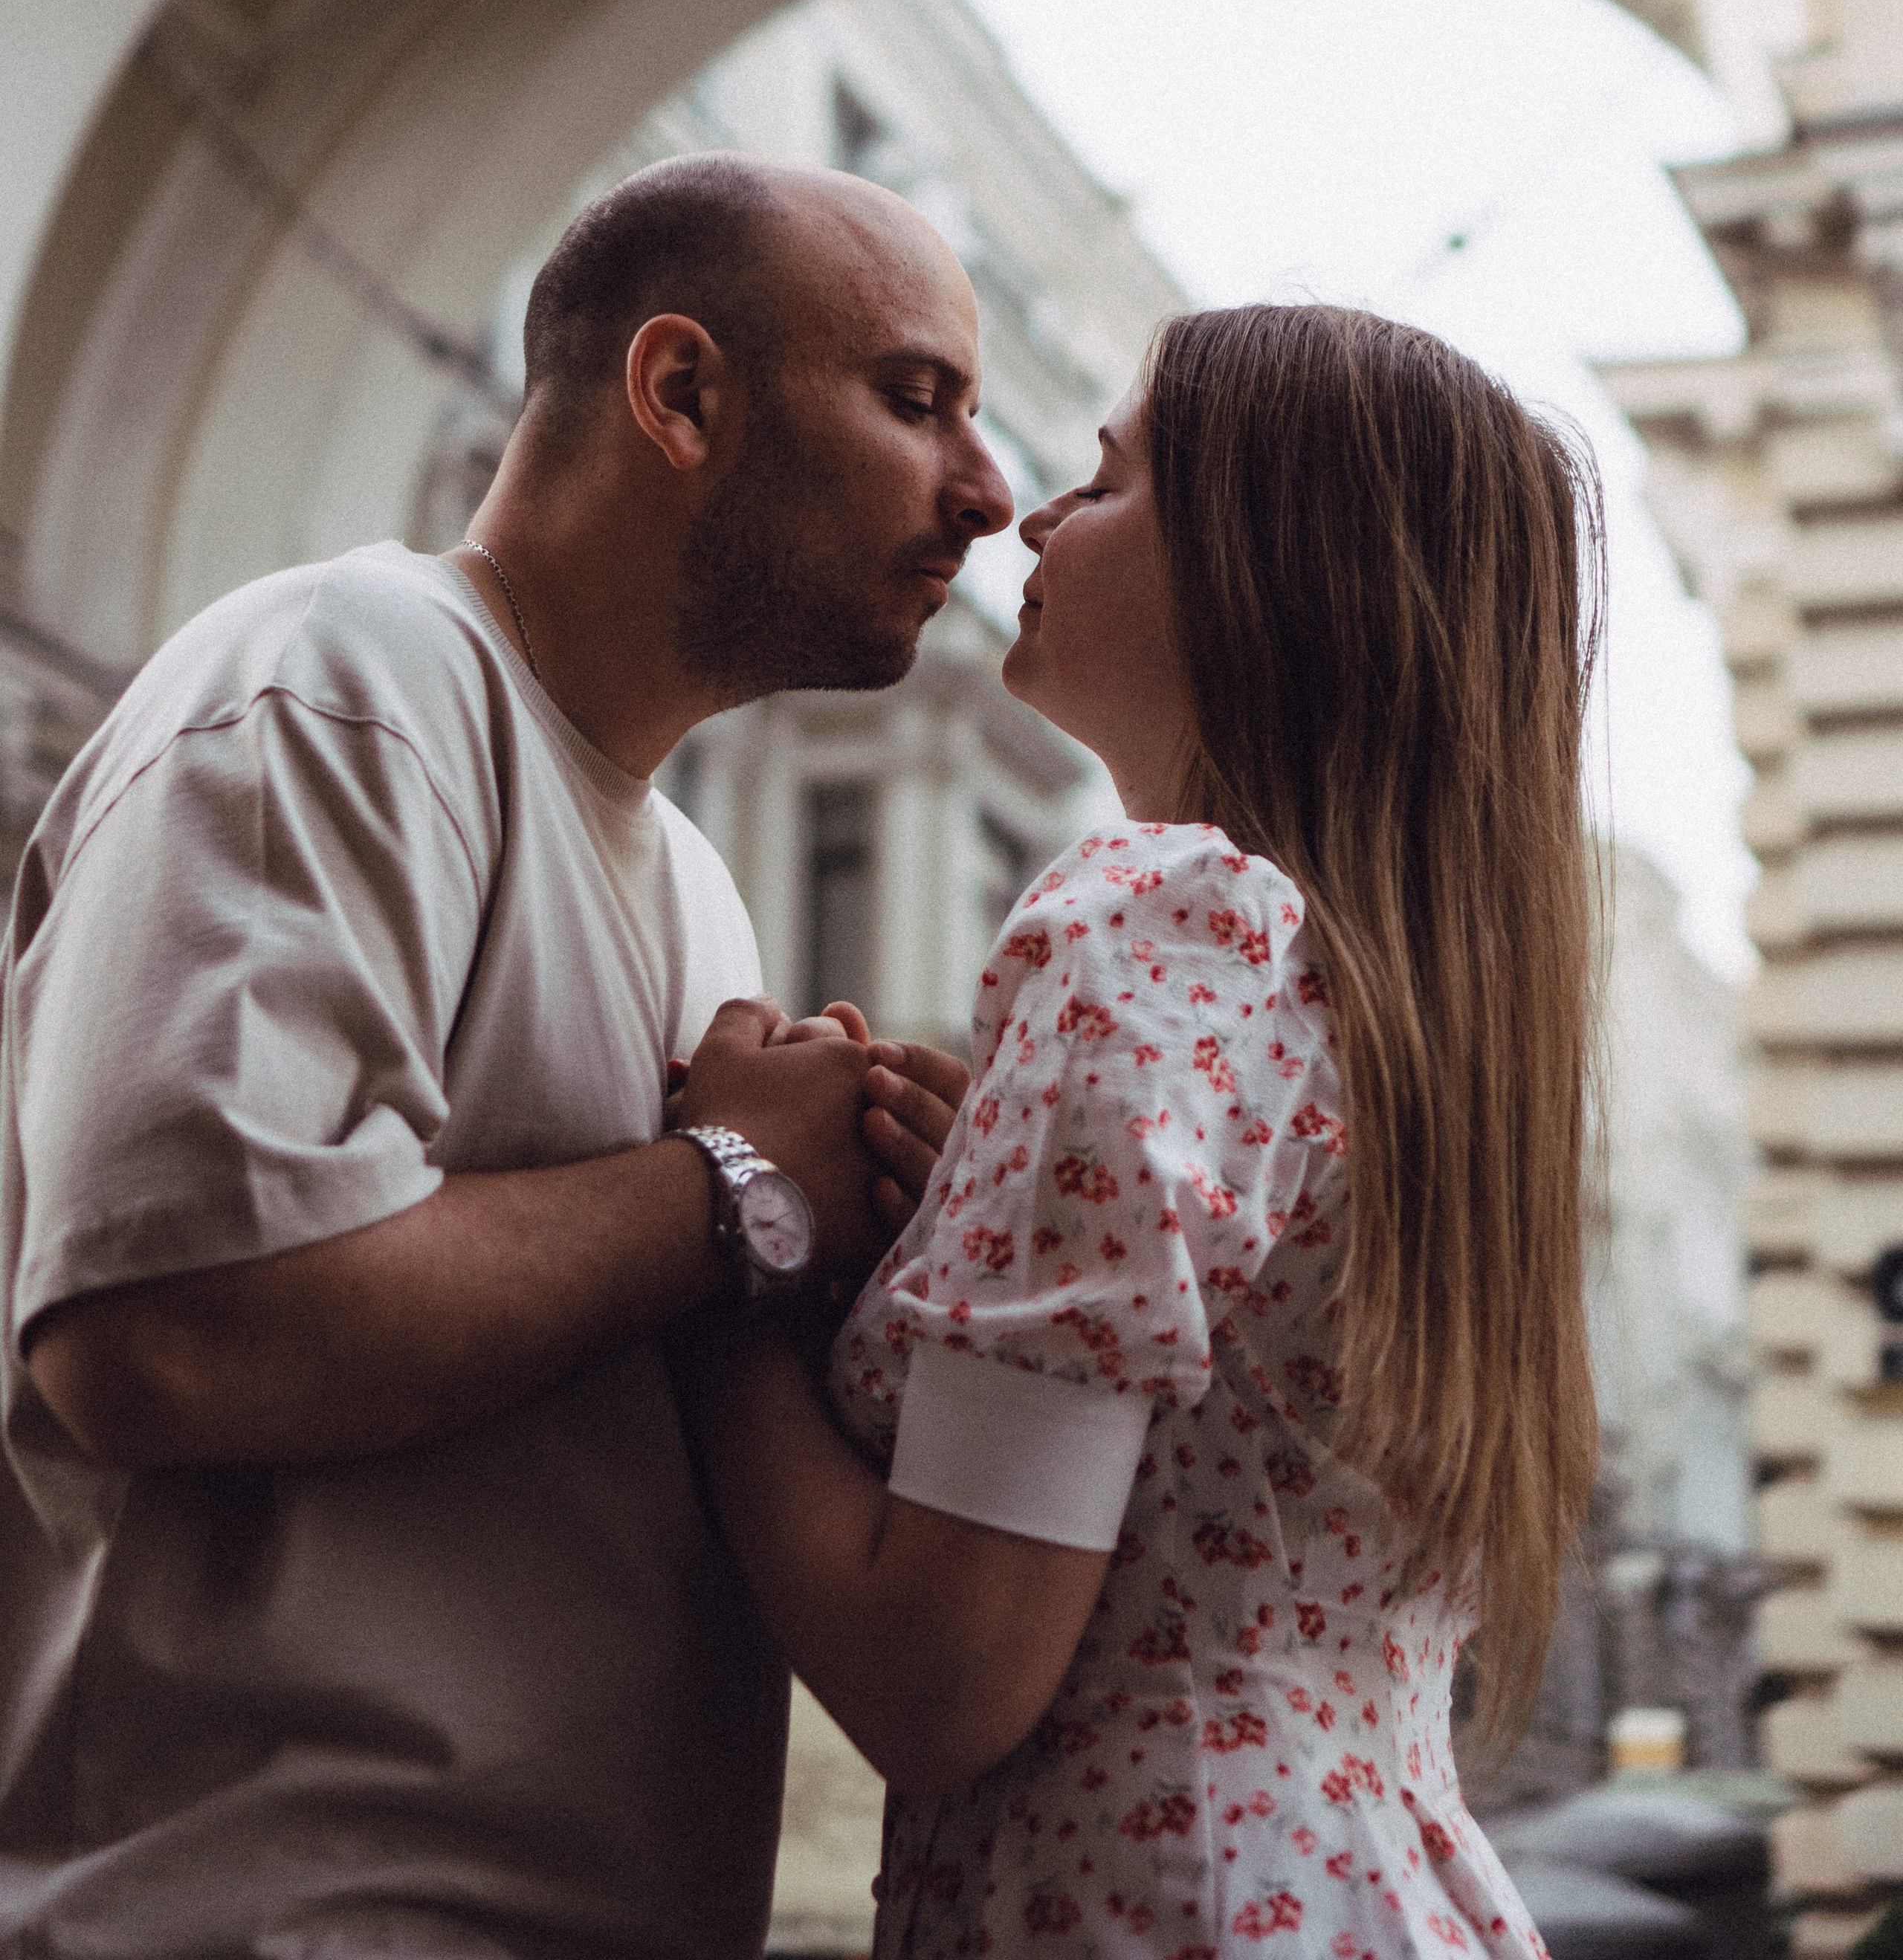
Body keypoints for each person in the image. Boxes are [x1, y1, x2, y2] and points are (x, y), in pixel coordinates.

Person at [0, 155, 1012, 1959]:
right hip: (275, 1913)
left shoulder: (696, 883)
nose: (987, 493)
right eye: (913, 399)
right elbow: (164, 1332)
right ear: (680, 392)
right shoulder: (339, 680)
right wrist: (741, 1182)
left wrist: (884, 1235)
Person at [679, 301, 1604, 1959]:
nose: (1029, 517)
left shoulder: (1155, 916)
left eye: (1103, 484)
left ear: (1264, 568)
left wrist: (722, 1226)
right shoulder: (1392, 1008)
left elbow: (940, 1677)